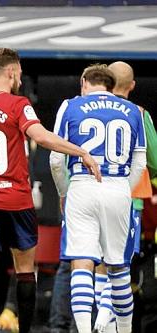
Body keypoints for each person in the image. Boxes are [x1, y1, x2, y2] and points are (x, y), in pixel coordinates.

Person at [0, 47, 100, 333]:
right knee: (24, 271)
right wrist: (81, 152)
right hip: (16, 201)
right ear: (11, 72)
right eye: (18, 72)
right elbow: (40, 137)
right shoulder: (19, 104)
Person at [50, 64, 145, 333]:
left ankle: (83, 330)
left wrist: (63, 193)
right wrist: (121, 188)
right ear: (110, 84)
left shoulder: (70, 105)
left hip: (82, 186)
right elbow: (140, 164)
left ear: (84, 82)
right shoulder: (133, 110)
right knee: (119, 268)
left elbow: (57, 159)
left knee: (81, 263)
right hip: (118, 187)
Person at [91, 61, 157, 333]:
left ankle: (99, 325)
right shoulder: (139, 113)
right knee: (119, 266)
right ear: (132, 86)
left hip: (89, 195)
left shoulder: (82, 107)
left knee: (95, 264)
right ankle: (117, 327)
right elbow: (154, 160)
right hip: (129, 199)